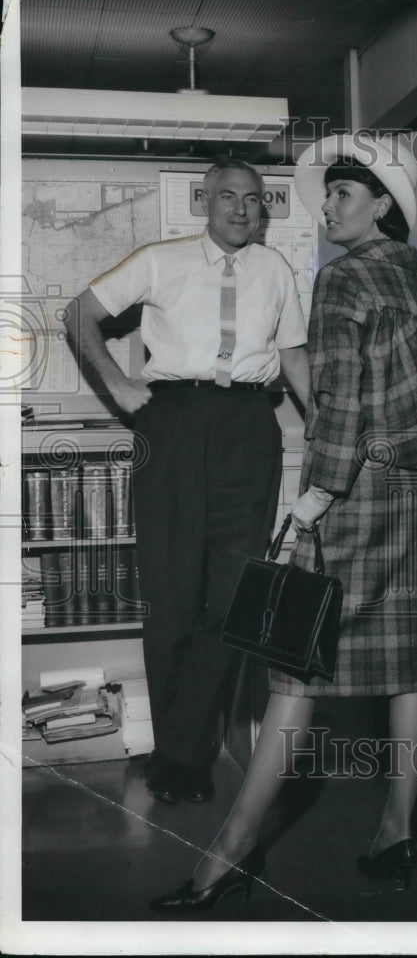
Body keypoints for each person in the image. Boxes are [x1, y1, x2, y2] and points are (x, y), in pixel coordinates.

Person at [150, 133, 417, 912]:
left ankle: (229, 852)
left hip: (350, 495)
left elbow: (337, 408)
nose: (326, 207)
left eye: (342, 195)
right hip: (408, 501)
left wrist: (316, 497)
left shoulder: (344, 281)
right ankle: (398, 834)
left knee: (292, 662)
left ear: (382, 209)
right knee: (409, 665)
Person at [64, 159, 310, 805]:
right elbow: (80, 312)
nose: (240, 209)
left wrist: (328, 428)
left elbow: (292, 355)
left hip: (249, 428)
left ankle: (178, 747)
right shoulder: (160, 258)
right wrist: (118, 385)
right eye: (227, 196)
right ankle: (185, 757)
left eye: (252, 200)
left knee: (234, 599)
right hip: (171, 423)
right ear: (205, 201)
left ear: (264, 209)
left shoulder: (276, 270)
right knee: (172, 595)